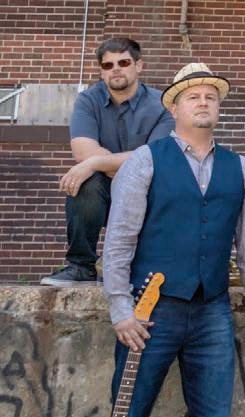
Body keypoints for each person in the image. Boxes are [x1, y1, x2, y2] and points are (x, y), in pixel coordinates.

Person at [102, 62, 245, 417]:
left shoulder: (240, 167)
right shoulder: (145, 160)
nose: (203, 101)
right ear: (174, 108)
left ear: (219, 108)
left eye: (210, 96)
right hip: (148, 311)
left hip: (212, 310)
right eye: (192, 96)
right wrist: (120, 308)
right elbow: (119, 239)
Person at [43, 37, 173, 286]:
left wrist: (95, 163)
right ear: (101, 71)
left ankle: (143, 266)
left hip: (149, 191)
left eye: (123, 62)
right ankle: (81, 267)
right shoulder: (88, 100)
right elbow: (83, 150)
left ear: (139, 65)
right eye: (107, 65)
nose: (115, 69)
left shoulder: (162, 105)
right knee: (84, 182)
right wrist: (107, 165)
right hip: (106, 190)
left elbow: (156, 158)